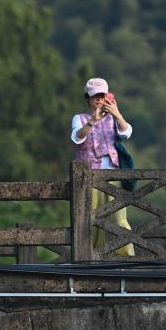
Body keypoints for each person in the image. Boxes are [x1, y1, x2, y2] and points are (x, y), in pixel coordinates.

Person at [71, 77, 134, 257]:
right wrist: (93, 120)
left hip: (113, 174)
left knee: (119, 218)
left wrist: (117, 113)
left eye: (102, 96)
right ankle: (92, 257)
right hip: (90, 176)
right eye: (95, 97)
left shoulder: (113, 118)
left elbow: (127, 132)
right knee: (92, 219)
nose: (99, 100)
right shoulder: (80, 118)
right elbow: (77, 137)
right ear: (88, 99)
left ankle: (126, 258)